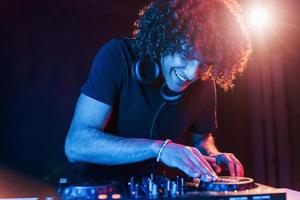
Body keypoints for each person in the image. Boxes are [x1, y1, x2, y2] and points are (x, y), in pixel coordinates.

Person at [64, 0, 252, 182]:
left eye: (206, 63)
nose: (192, 73)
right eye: (186, 55)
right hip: (100, 189)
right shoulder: (117, 56)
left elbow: (201, 139)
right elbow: (77, 145)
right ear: (167, 39)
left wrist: (213, 154)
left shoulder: (204, 83)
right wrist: (158, 149)